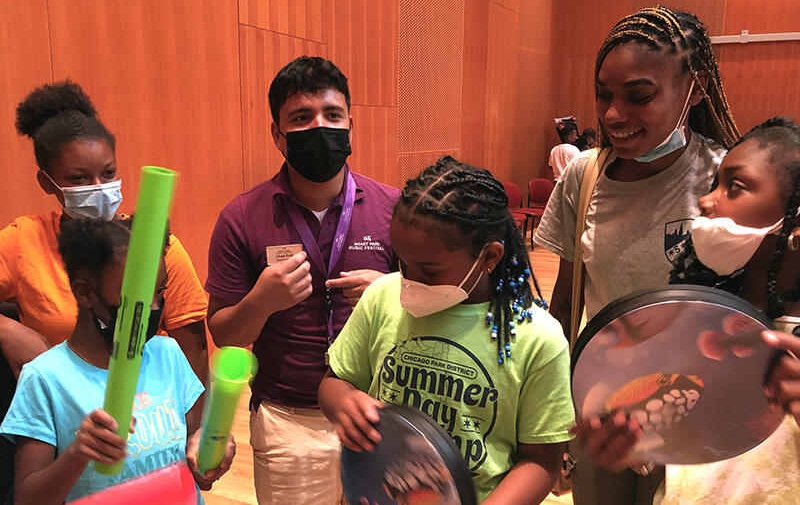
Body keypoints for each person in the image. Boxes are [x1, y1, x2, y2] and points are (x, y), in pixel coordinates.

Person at [533, 6, 739, 504]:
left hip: (699, 413)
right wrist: (557, 419)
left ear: (696, 87)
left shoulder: (726, 180)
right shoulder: (583, 177)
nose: (611, 115)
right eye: (603, 94)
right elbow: (564, 309)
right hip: (604, 412)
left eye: (639, 96)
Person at [318, 156, 574, 503]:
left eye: (429, 270)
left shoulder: (538, 339)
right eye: (401, 262)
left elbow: (541, 461)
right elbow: (334, 381)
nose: (408, 279)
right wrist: (344, 403)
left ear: (490, 257)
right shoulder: (381, 297)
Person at [575, 117, 800, 503]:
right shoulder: (694, 325)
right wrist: (629, 446)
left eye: (736, 186)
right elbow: (678, 445)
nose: (706, 200)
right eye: (714, 184)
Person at [205, 56, 399, 504]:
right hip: (287, 420)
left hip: (378, 412)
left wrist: (389, 292)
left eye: (332, 115)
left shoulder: (394, 208)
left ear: (351, 124)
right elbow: (224, 333)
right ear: (278, 134)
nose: (319, 127)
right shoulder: (242, 217)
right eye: (301, 118)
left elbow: (433, 307)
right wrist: (262, 302)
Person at [0, 218, 234, 503]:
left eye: (160, 291)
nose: (154, 308)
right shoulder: (45, 378)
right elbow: (27, 498)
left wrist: (210, 448)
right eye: (137, 296)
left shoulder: (167, 354)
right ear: (84, 291)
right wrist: (78, 452)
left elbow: (192, 445)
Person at [0, 80, 209, 383]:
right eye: (79, 178)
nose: (99, 188)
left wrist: (197, 428)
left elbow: (195, 349)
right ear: (47, 183)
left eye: (108, 173)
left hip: (149, 405)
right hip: (62, 406)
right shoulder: (23, 240)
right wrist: (6, 329)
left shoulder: (155, 245)